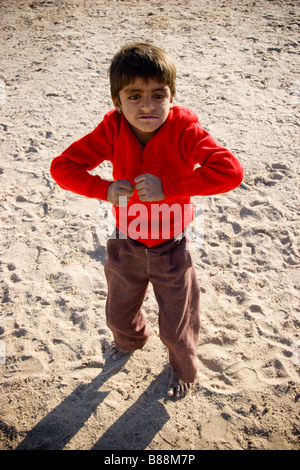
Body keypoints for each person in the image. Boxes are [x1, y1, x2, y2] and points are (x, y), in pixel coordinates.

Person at [50, 42, 244, 398]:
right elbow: (62, 167)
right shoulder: (111, 129)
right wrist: (105, 189)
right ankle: (131, 341)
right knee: (119, 315)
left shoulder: (185, 130)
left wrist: (169, 187)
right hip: (125, 240)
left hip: (173, 246)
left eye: (158, 95)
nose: (148, 106)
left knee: (176, 325)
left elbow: (230, 172)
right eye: (134, 96)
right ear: (117, 102)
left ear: (171, 96)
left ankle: (183, 370)